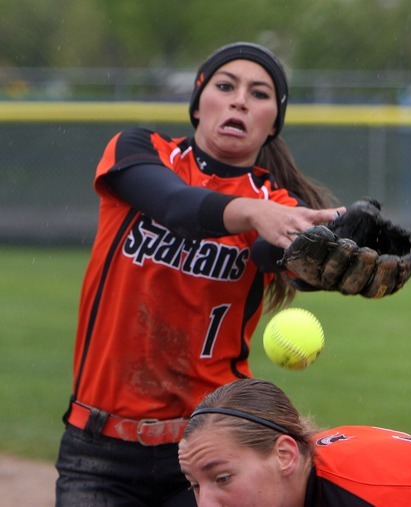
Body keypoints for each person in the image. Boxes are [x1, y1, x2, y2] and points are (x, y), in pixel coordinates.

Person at [55, 41, 345, 506]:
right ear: (197, 102)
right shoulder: (139, 151)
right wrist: (254, 213)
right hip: (98, 449)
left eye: (259, 93)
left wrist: (329, 259)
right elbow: (175, 205)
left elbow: (287, 259)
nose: (239, 100)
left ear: (273, 123)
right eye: (225, 86)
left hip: (215, 447)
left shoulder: (280, 209)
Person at [179, 378, 411, 507]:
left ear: (285, 455)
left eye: (222, 478)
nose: (205, 503)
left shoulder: (374, 493)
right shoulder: (293, 486)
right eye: (195, 486)